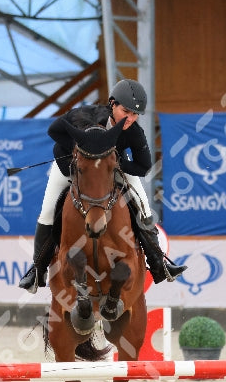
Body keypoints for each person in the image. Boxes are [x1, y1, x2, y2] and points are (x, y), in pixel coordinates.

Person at [18, 79, 187, 293]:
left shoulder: (133, 132)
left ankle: (159, 263)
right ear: (112, 104)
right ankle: (37, 270)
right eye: (126, 111)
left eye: (136, 115)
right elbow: (54, 131)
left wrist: (118, 163)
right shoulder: (84, 116)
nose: (130, 118)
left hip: (111, 170)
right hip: (71, 167)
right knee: (48, 212)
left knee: (143, 205)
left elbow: (143, 167)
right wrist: (79, 153)